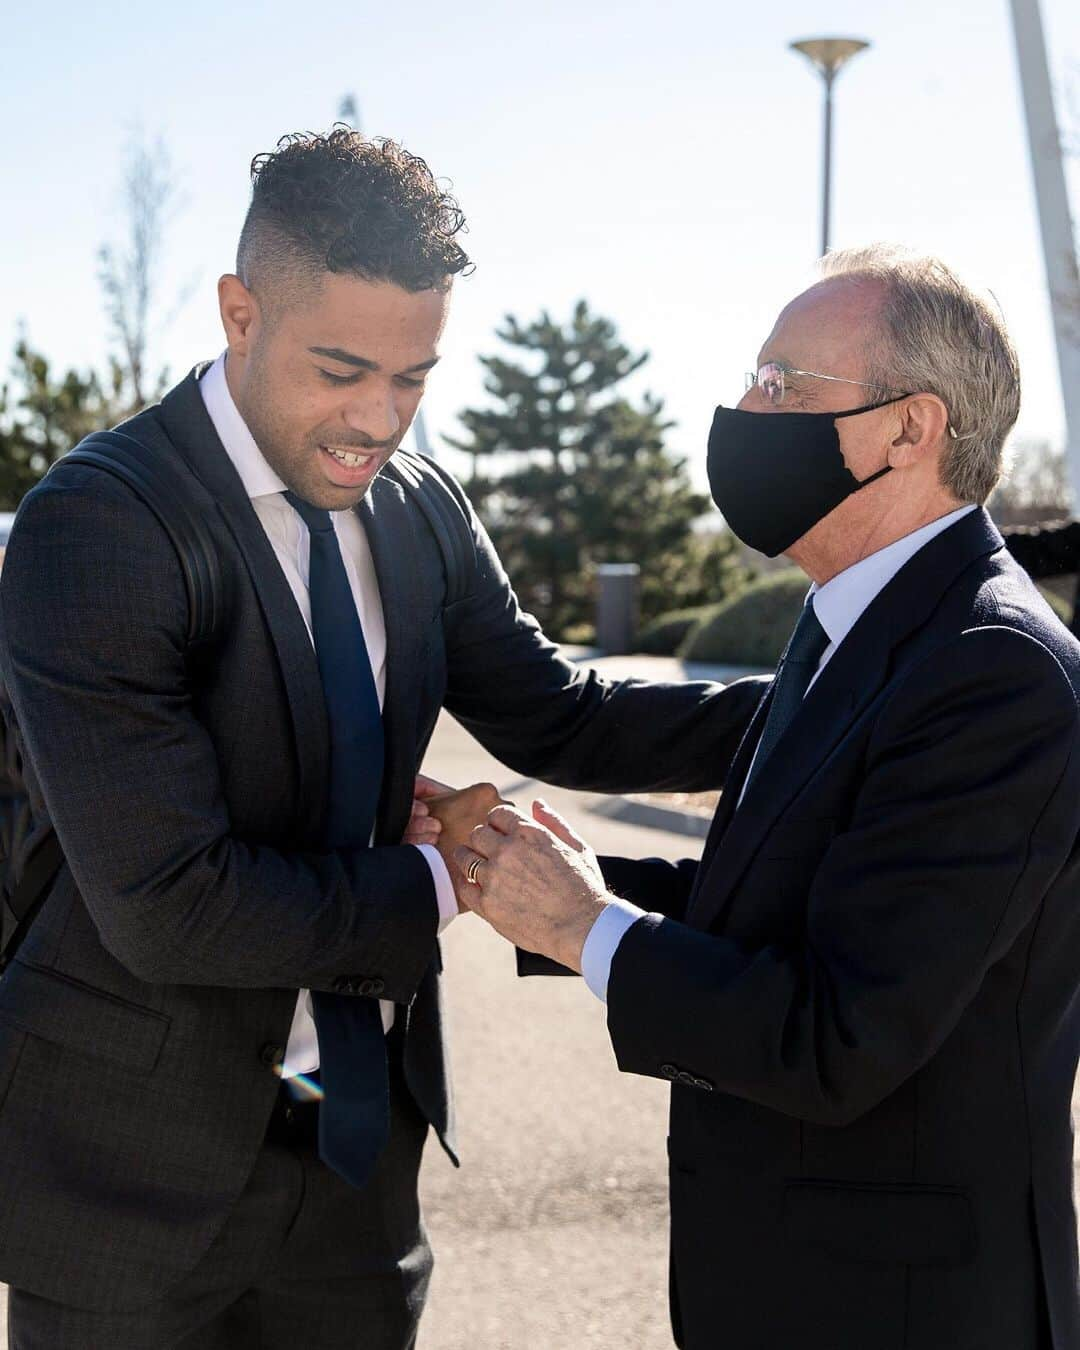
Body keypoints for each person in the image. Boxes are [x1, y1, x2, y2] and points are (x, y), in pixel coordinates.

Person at [0, 129, 764, 1349]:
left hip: (358, 1167)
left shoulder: (417, 509)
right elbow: (168, 906)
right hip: (127, 1186)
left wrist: (854, 695)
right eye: (343, 369)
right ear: (240, 313)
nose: (380, 419)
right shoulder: (99, 527)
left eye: (413, 378)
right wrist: (441, 878)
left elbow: (563, 713)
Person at [449, 246, 1080, 1350]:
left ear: (908, 429)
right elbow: (779, 909)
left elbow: (839, 1034)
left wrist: (584, 925)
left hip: (905, 1314)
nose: (744, 410)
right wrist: (524, 873)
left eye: (784, 385)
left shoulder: (995, 671)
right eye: (752, 378)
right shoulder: (855, 622)